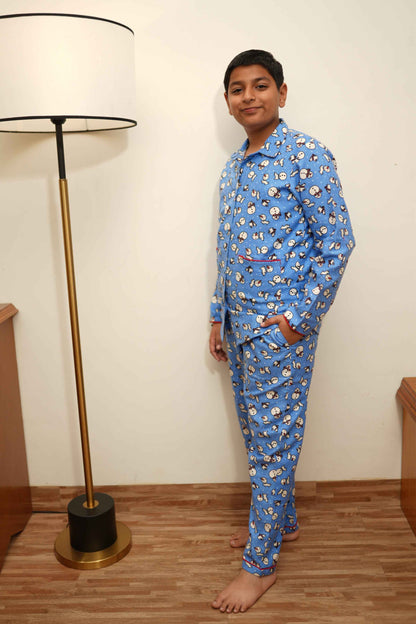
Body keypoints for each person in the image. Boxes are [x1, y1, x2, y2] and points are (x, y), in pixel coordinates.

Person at [209, 49, 355, 613]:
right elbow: (227, 249)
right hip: (239, 330)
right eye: (237, 88)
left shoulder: (306, 156)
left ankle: (259, 567)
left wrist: (297, 322)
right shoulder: (233, 166)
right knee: (258, 436)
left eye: (260, 85)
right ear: (228, 101)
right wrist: (217, 316)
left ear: (282, 93)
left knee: (273, 448)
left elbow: (337, 243)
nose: (249, 96)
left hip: (279, 334)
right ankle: (282, 522)